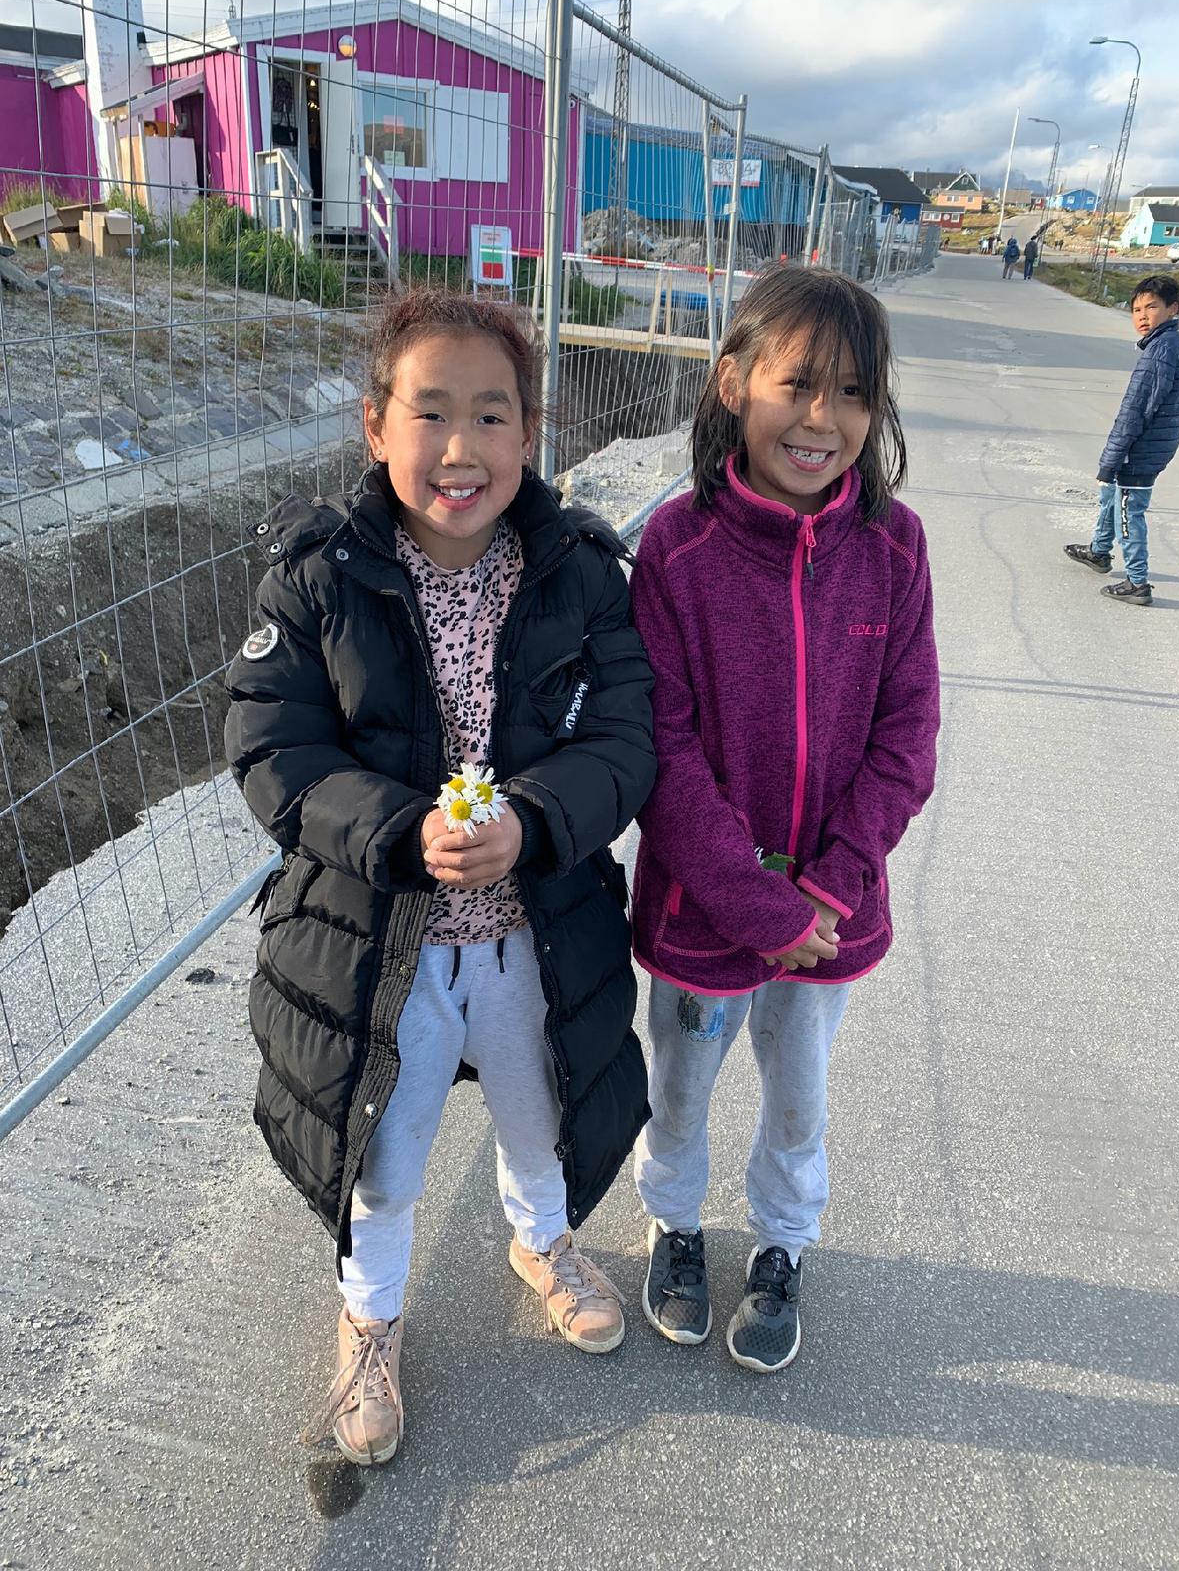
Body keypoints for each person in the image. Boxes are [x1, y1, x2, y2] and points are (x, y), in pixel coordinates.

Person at [224, 290, 656, 1464]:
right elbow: (275, 747)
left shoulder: (580, 572)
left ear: (531, 432)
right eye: (430, 413)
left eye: (492, 415)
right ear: (375, 425)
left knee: (543, 1107)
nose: (461, 449)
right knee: (385, 1142)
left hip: (533, 922)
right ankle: (369, 1321)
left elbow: (624, 742)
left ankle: (546, 1238)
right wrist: (400, 830)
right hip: (381, 936)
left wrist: (535, 821)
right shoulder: (318, 578)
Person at [628, 266, 940, 1374]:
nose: (822, 419)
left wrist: (829, 887)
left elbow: (909, 738)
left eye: (852, 392)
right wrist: (754, 901)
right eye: (796, 382)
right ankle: (672, 1221)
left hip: (829, 917)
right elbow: (659, 749)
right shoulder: (675, 549)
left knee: (798, 1097)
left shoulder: (896, 550)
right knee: (680, 1083)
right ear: (733, 381)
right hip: (703, 910)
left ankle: (782, 1244)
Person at [1064, 274, 1179, 605]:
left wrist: (1111, 459)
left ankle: (1138, 582)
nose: (1143, 316)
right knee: (1111, 495)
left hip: (1141, 451)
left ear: (1173, 309)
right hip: (1148, 446)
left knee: (1128, 511)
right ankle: (1099, 551)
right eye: (1136, 310)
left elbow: (1136, 411)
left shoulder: (1160, 351)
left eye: (1152, 307)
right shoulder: (1167, 344)